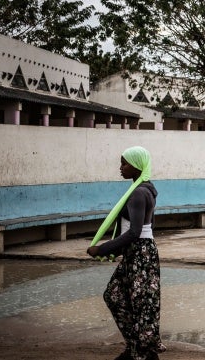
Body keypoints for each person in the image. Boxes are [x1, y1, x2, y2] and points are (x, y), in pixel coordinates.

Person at [87, 146, 164, 360]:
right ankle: (137, 347)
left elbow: (135, 232)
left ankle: (142, 352)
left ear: (137, 165)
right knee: (115, 295)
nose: (120, 168)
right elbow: (143, 228)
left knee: (141, 305)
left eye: (124, 163)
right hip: (138, 252)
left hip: (141, 253)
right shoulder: (143, 189)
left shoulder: (139, 193)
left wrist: (102, 249)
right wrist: (120, 250)